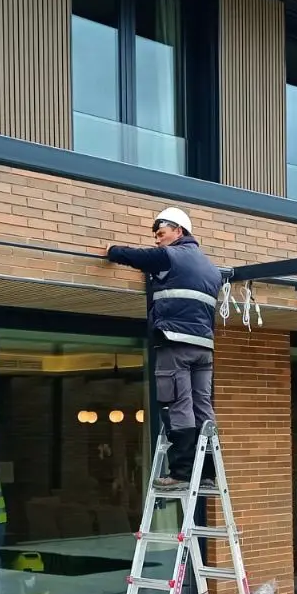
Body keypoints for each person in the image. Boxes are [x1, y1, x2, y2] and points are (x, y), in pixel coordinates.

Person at [105, 207, 221, 486]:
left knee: (178, 403)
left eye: (161, 234)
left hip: (175, 341)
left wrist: (113, 251)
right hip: (204, 347)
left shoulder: (174, 255)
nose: (157, 240)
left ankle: (181, 472)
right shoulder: (211, 269)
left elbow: (141, 257)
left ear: (179, 231)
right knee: (202, 405)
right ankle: (207, 472)